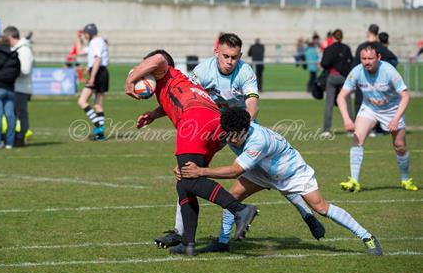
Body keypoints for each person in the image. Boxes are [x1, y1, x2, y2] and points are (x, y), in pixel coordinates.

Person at [155, 33, 325, 252]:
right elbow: (185, 99)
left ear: (240, 56)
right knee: (187, 172)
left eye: (234, 57)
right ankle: (181, 234)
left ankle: (306, 214)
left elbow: (252, 104)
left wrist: (243, 128)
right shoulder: (201, 72)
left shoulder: (245, 71)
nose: (229, 61)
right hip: (212, 127)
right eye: (226, 56)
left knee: (277, 175)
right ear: (216, 52)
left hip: (241, 130)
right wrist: (154, 113)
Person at [181, 107, 383, 256]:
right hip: (261, 171)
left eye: (237, 136)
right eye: (229, 136)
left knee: (321, 207)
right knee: (231, 197)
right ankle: (223, 242)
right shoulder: (230, 131)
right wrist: (186, 165)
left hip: (292, 172)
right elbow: (209, 148)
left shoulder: (258, 139)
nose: (233, 140)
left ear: (247, 128)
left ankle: (367, 236)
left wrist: (200, 171)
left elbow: (235, 171)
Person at [125, 49, 259, 256]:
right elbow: (173, 101)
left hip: (195, 119)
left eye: (147, 67)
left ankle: (239, 210)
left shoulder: (165, 70)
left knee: (189, 177)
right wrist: (153, 114)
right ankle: (188, 243)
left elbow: (159, 58)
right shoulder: (178, 83)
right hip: (214, 122)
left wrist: (130, 81)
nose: (145, 71)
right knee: (184, 182)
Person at [337, 43, 418, 192]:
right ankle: (354, 180)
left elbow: (405, 96)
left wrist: (395, 119)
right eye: (364, 58)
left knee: (399, 146)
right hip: (369, 109)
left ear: (378, 57)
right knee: (357, 137)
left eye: (370, 58)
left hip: (393, 111)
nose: (367, 61)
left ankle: (405, 179)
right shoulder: (357, 72)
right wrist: (347, 119)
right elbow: (342, 96)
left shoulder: (389, 71)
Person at [75, 23, 109, 140]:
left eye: (84, 34)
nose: (84, 36)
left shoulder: (95, 42)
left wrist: (92, 76)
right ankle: (100, 135)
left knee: (82, 101)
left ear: (88, 33)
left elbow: (97, 59)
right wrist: (78, 38)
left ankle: (99, 126)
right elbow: (79, 51)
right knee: (98, 105)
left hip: (98, 72)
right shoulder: (96, 42)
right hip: (102, 72)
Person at [3, 26, 34, 147]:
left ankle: (20, 137)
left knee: (21, 114)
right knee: (13, 114)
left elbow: (25, 69)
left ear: (10, 37)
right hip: (16, 87)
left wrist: (9, 73)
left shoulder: (24, 50)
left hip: (21, 88)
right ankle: (15, 137)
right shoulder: (18, 49)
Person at [320, 29, 353, 137]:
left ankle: (326, 130)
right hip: (344, 78)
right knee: (347, 103)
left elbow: (324, 63)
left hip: (332, 77)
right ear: (341, 37)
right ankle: (350, 130)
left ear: (333, 37)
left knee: (329, 103)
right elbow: (350, 63)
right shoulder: (346, 48)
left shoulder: (329, 48)